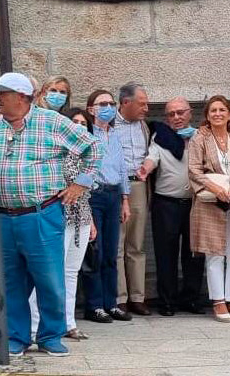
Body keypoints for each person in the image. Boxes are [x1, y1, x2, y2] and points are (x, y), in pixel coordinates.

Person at [0, 72, 100, 357]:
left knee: (50, 278)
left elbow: (93, 148)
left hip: (41, 213)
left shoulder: (52, 122)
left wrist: (79, 184)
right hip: (4, 215)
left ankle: (51, 335)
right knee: (11, 280)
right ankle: (17, 337)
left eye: (3, 93)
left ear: (23, 97)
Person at [29, 103, 98, 342]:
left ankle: (68, 323)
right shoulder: (56, 150)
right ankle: (36, 325)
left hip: (82, 217)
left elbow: (87, 191)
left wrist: (91, 221)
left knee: (71, 273)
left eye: (83, 124)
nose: (79, 127)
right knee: (48, 273)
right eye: (75, 123)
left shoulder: (88, 156)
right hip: (57, 215)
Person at [189, 95, 230, 323]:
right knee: (214, 253)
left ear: (229, 115)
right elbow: (194, 171)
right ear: (207, 116)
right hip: (211, 203)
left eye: (221, 110)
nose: (217, 114)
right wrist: (216, 188)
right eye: (212, 111)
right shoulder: (199, 139)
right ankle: (218, 301)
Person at [142, 97, 205, 316]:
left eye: (180, 112)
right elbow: (152, 157)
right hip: (166, 203)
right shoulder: (161, 137)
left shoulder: (201, 136)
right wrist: (145, 169)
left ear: (190, 113)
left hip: (196, 204)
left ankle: (191, 299)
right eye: (171, 114)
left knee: (194, 254)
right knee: (165, 254)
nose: (176, 117)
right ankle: (167, 301)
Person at [81, 90, 133, 324]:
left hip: (113, 196)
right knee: (96, 252)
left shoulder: (115, 134)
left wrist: (125, 199)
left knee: (111, 252)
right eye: (103, 103)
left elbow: (122, 168)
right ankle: (94, 305)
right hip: (95, 194)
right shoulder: (86, 132)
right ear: (91, 109)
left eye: (112, 103)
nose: (109, 107)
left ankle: (110, 303)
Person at [114, 82, 152, 316]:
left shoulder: (144, 126)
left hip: (139, 186)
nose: (146, 108)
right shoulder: (109, 125)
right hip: (117, 185)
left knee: (136, 244)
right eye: (142, 103)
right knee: (118, 244)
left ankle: (138, 297)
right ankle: (120, 298)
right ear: (126, 103)